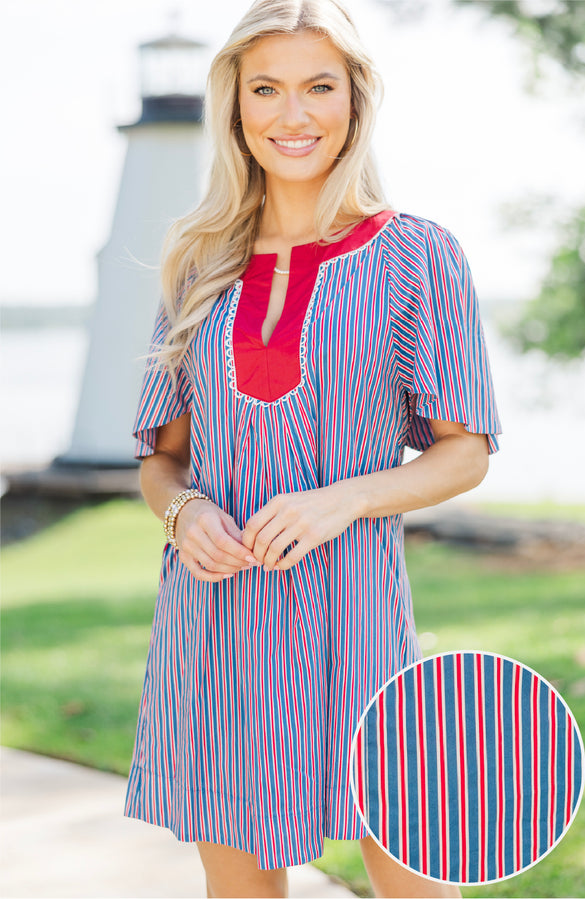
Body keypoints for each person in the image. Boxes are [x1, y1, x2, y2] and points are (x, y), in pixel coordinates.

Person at [123, 0, 502, 896]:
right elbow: (161, 459)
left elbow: (466, 450)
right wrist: (184, 512)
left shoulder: (419, 255)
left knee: (414, 864)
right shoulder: (197, 260)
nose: (292, 115)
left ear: (355, 99)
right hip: (216, 623)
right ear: (235, 104)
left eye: (318, 87)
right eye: (266, 89)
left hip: (356, 616)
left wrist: (345, 498)